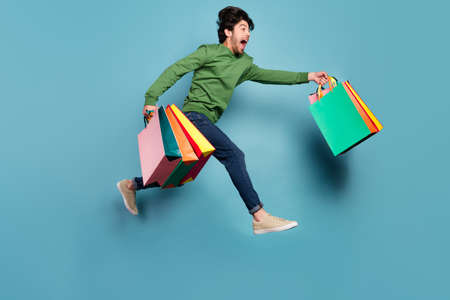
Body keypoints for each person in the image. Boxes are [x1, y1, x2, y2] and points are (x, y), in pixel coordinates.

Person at [117, 6, 329, 234]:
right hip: (193, 118)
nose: (248, 34)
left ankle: (131, 185)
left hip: (205, 123)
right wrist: (151, 98)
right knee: (234, 155)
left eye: (249, 31)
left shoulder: (244, 65)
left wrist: (308, 76)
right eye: (243, 28)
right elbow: (177, 70)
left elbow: (271, 76)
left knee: (177, 173)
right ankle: (259, 216)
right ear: (228, 32)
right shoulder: (208, 52)